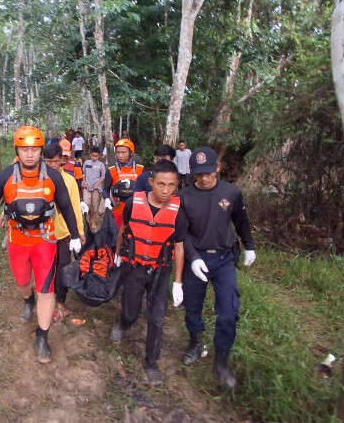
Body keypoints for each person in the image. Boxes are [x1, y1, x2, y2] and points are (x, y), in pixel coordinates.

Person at [0, 126, 82, 364]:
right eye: (24, 149)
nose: (29, 154)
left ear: (40, 151)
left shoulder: (53, 176)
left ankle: (42, 335)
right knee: (22, 282)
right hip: (17, 240)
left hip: (45, 241)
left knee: (46, 290)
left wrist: (76, 235)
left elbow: (66, 206)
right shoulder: (5, 176)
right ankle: (27, 300)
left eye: (34, 149)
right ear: (17, 150)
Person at [174, 147, 256, 389]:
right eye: (198, 174)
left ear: (217, 168)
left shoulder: (231, 192)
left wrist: (249, 245)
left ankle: (221, 361)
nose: (204, 178)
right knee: (192, 307)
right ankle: (195, 342)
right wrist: (193, 257)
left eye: (208, 173)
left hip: (223, 260)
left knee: (229, 310)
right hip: (196, 260)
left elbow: (241, 221)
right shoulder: (184, 196)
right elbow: (181, 234)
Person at [109, 160, 186, 385]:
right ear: (151, 182)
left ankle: (151, 362)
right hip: (135, 266)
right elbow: (124, 230)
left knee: (157, 317)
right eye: (161, 184)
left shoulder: (179, 211)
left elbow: (179, 245)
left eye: (171, 185)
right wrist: (117, 254)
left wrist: (178, 282)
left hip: (161, 270)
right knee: (131, 310)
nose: (165, 190)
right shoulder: (134, 202)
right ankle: (123, 323)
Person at [42, 144, 85, 323]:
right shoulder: (37, 179)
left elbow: (75, 207)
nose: (52, 165)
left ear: (62, 160)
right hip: (43, 234)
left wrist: (79, 232)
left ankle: (60, 303)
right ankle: (46, 302)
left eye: (55, 161)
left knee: (63, 268)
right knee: (46, 269)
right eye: (48, 161)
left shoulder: (69, 181)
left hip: (64, 233)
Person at [103, 139, 144, 229]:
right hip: (117, 211)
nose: (120, 155)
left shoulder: (140, 169)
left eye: (123, 152)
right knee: (117, 237)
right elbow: (105, 189)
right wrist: (106, 200)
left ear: (131, 153)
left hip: (136, 211)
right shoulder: (111, 170)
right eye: (118, 152)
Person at [81, 146, 107, 232]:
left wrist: (97, 184)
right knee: (86, 205)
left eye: (96, 156)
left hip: (96, 188)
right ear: (90, 155)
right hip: (87, 187)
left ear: (99, 156)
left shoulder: (101, 165)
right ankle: (86, 221)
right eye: (93, 156)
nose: (94, 158)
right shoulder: (86, 163)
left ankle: (93, 222)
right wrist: (84, 181)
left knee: (95, 206)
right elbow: (83, 173)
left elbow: (103, 177)